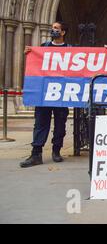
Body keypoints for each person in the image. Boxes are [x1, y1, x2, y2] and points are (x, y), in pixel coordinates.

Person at [20, 21, 71, 168]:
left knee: (60, 123)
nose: (53, 30)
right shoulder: (43, 48)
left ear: (63, 32)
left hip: (62, 93)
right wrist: (30, 53)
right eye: (52, 28)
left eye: (56, 28)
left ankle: (56, 151)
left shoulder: (70, 49)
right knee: (41, 123)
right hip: (44, 93)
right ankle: (36, 154)